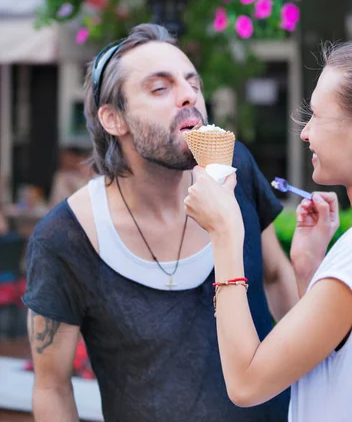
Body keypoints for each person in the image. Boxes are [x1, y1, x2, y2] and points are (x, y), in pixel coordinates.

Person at [22, 23, 298, 422]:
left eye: (193, 84)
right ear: (113, 120)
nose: (189, 96)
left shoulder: (235, 170)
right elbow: (51, 388)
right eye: (160, 88)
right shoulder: (65, 239)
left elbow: (274, 275)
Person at [185, 38, 352, 422]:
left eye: (316, 115)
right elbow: (347, 368)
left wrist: (226, 233)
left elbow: (247, 383)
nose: (305, 133)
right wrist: (309, 268)